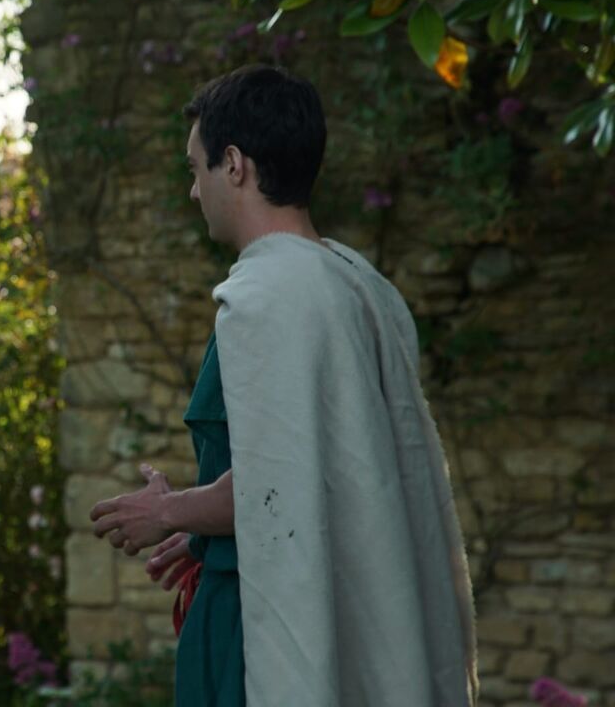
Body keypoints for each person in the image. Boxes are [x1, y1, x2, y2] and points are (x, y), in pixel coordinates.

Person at [88, 65, 478, 707]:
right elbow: (328, 468)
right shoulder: (357, 282)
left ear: (233, 164)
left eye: (196, 169)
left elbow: (277, 479)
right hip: (293, 581)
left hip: (255, 617)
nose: (194, 191)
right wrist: (202, 526)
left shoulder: (270, 294)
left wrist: (166, 511)